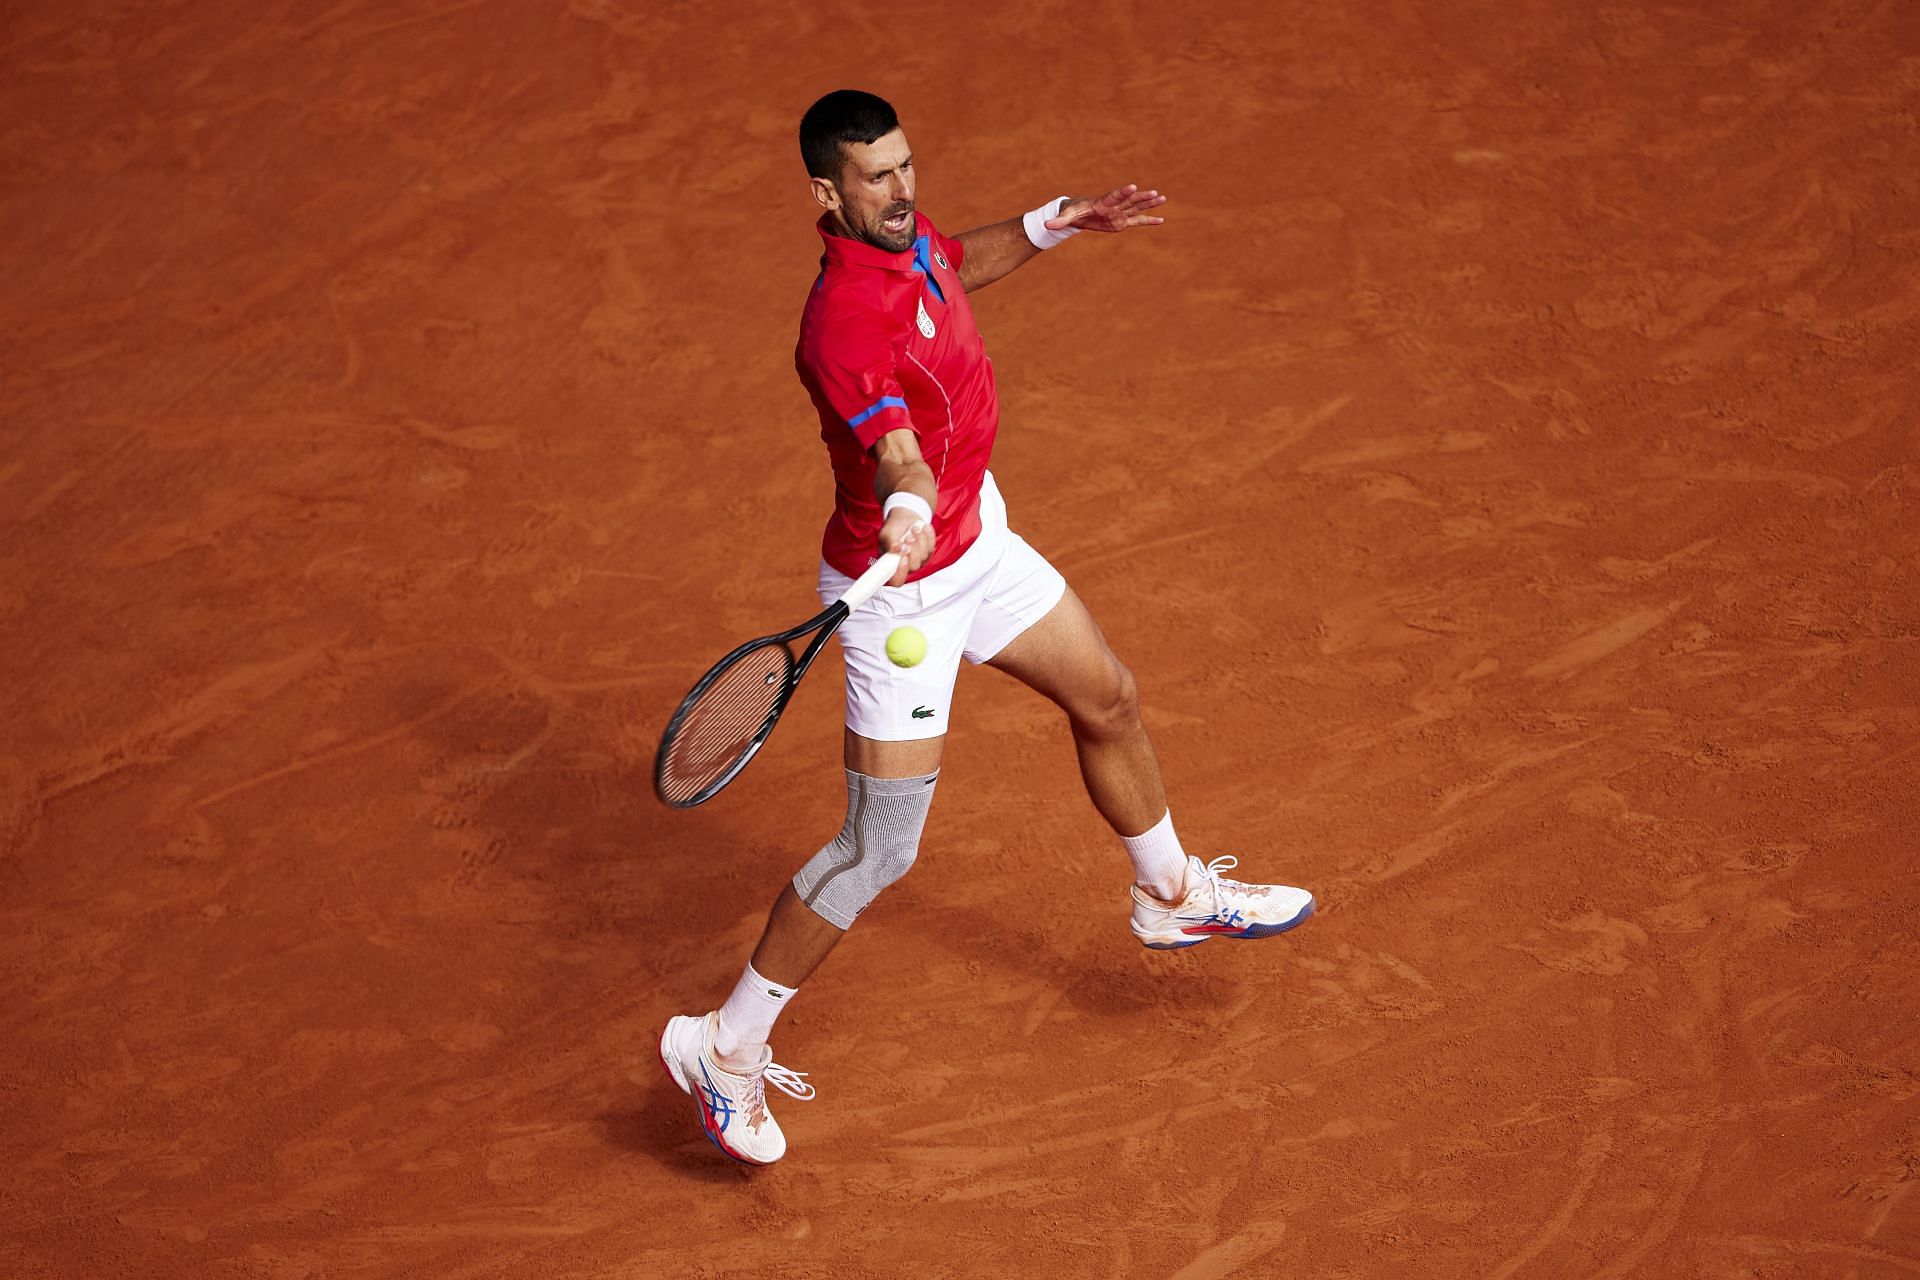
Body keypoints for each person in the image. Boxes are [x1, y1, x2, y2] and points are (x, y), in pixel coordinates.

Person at [658, 89, 1314, 1165]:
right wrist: (908, 505)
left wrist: (1058, 219)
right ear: (827, 194)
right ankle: (720, 1048)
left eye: (906, 165)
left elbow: (961, 258)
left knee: (1106, 693)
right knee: (878, 848)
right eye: (877, 177)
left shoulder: (907, 246)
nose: (903, 188)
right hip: (903, 595)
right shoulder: (841, 319)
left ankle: (1172, 895)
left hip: (981, 543)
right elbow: (892, 441)